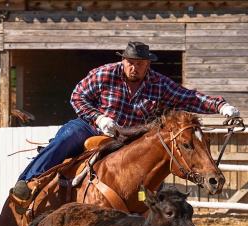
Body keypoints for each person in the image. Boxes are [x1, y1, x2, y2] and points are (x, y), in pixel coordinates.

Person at [13, 41, 240, 200]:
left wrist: (220, 105)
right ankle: (29, 180)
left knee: (150, 161)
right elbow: (77, 96)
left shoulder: (159, 84)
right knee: (68, 136)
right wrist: (98, 117)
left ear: (147, 64)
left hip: (130, 137)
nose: (134, 67)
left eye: (139, 63)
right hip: (91, 127)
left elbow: (188, 97)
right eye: (130, 62)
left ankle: (146, 205)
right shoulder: (105, 73)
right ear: (123, 61)